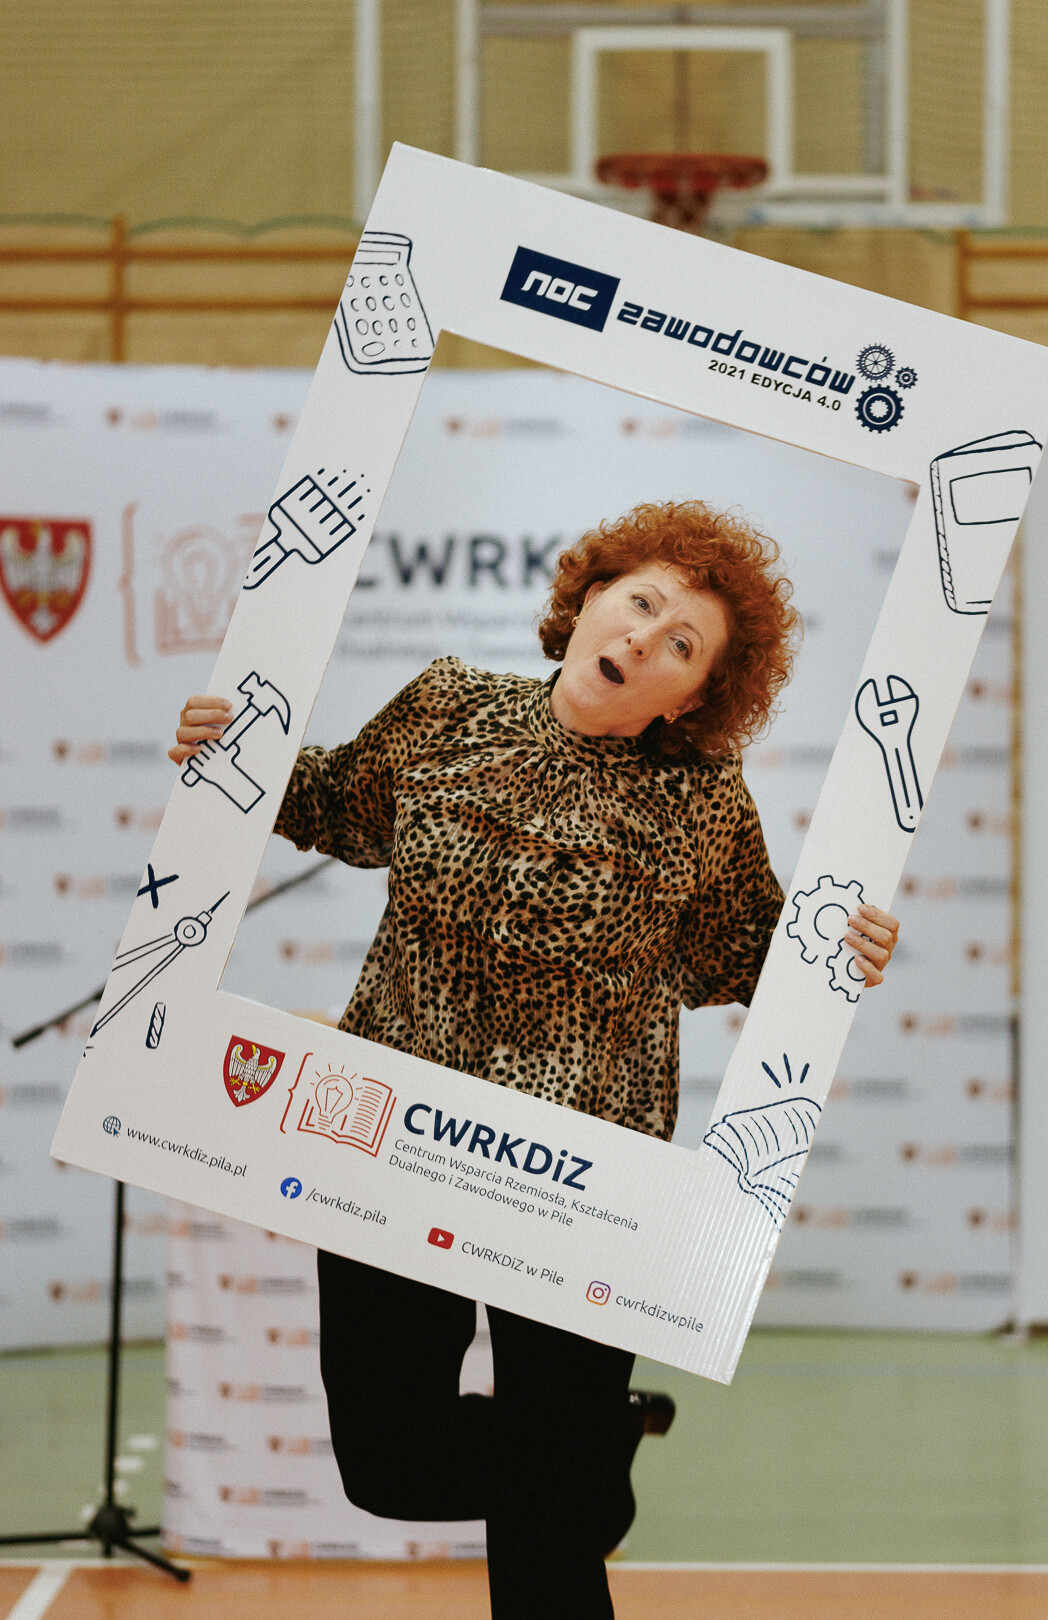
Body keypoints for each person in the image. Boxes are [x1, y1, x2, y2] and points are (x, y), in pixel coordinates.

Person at [171, 500, 899, 1619]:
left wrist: (843, 951)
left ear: (692, 698)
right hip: (393, 1140)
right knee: (392, 1464)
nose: (644, 639)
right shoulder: (447, 704)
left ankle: (574, 1465)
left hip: (582, 1180)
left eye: (682, 645)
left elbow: (754, 957)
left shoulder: (703, 802)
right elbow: (333, 803)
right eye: (639, 603)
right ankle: (593, 1454)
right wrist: (232, 756)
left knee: (549, 1545)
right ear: (589, 599)